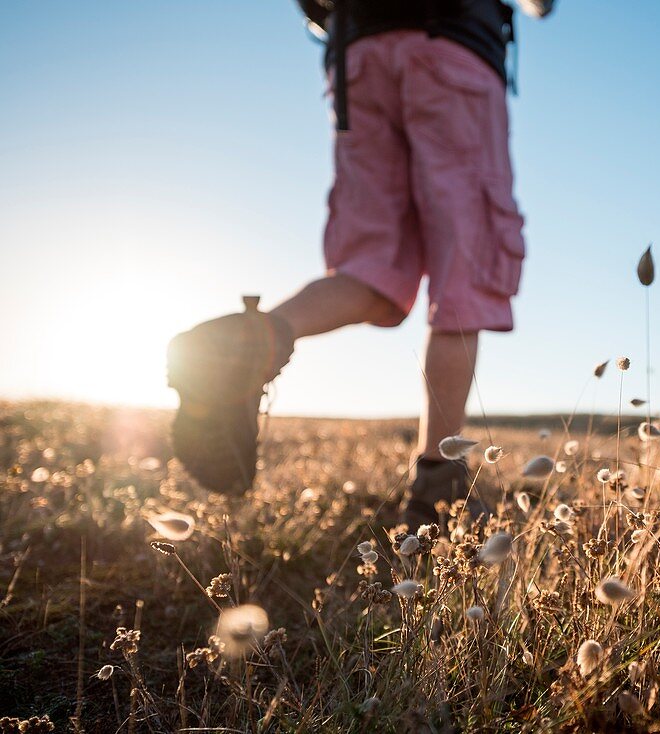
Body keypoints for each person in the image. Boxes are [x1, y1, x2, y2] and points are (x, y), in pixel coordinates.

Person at [166, 0, 554, 528]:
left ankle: (248, 342)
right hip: (456, 49)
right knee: (465, 276)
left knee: (373, 269)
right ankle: (437, 490)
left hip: (356, 58)